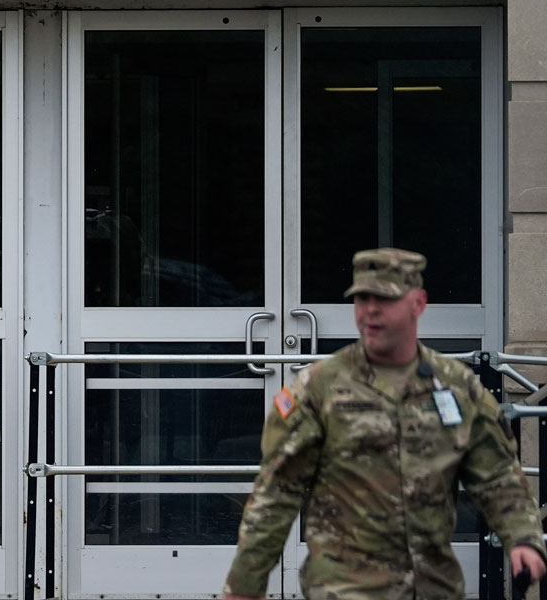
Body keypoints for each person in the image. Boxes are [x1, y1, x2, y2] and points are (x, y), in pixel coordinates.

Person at [223, 248, 547, 600]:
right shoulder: (318, 389)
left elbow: (497, 474)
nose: (371, 310)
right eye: (363, 299)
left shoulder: (456, 388)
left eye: (385, 299)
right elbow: (276, 493)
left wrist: (523, 539)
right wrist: (244, 585)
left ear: (419, 303)